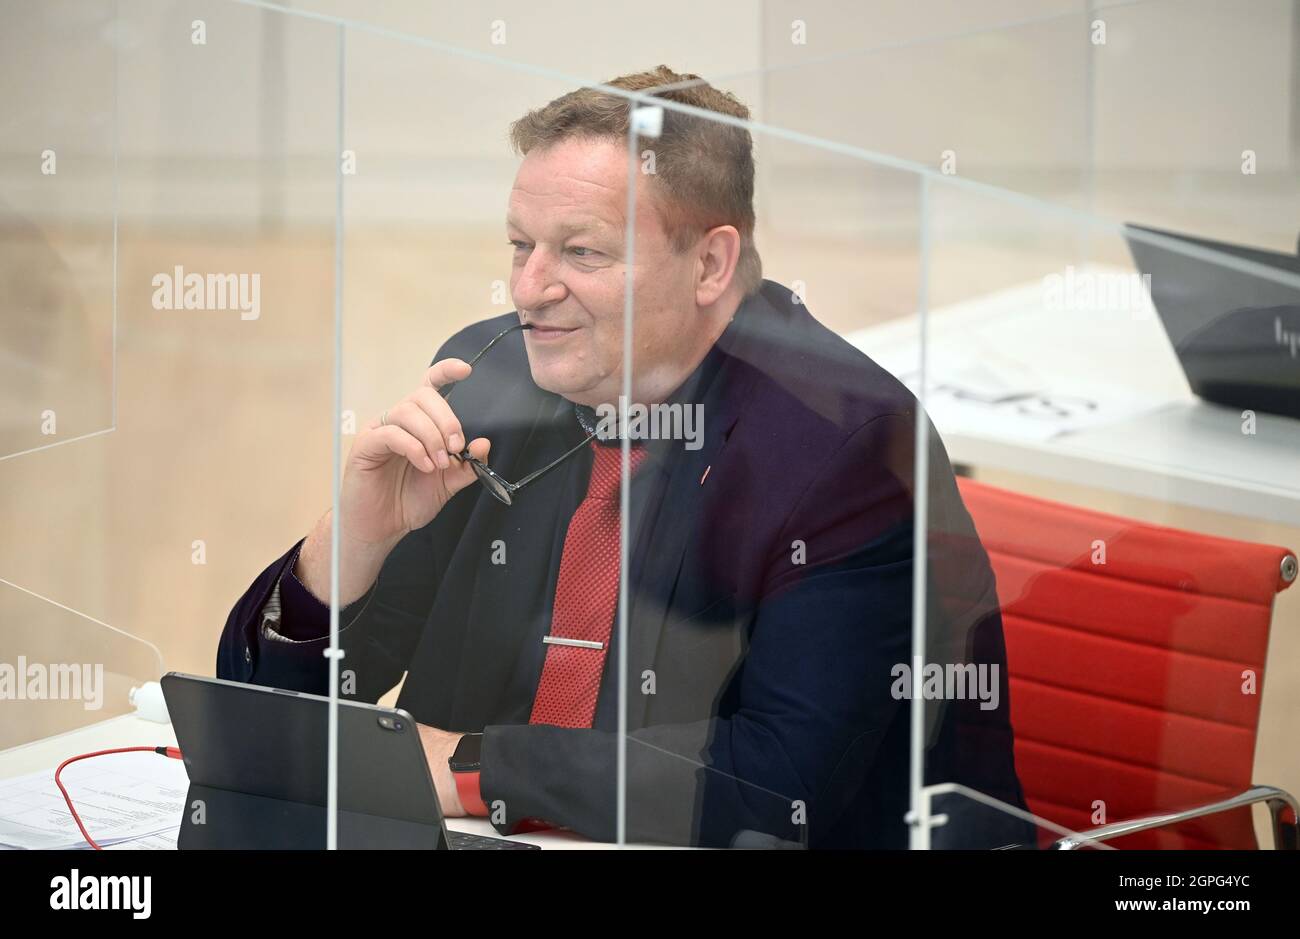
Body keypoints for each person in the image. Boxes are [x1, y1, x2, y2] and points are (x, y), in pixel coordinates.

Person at [217, 65, 1032, 849]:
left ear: (710, 263)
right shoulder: (492, 379)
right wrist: (350, 544)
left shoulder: (845, 449)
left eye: (582, 253)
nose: (529, 290)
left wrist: (475, 768)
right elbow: (269, 728)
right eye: (519, 244)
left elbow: (779, 784)